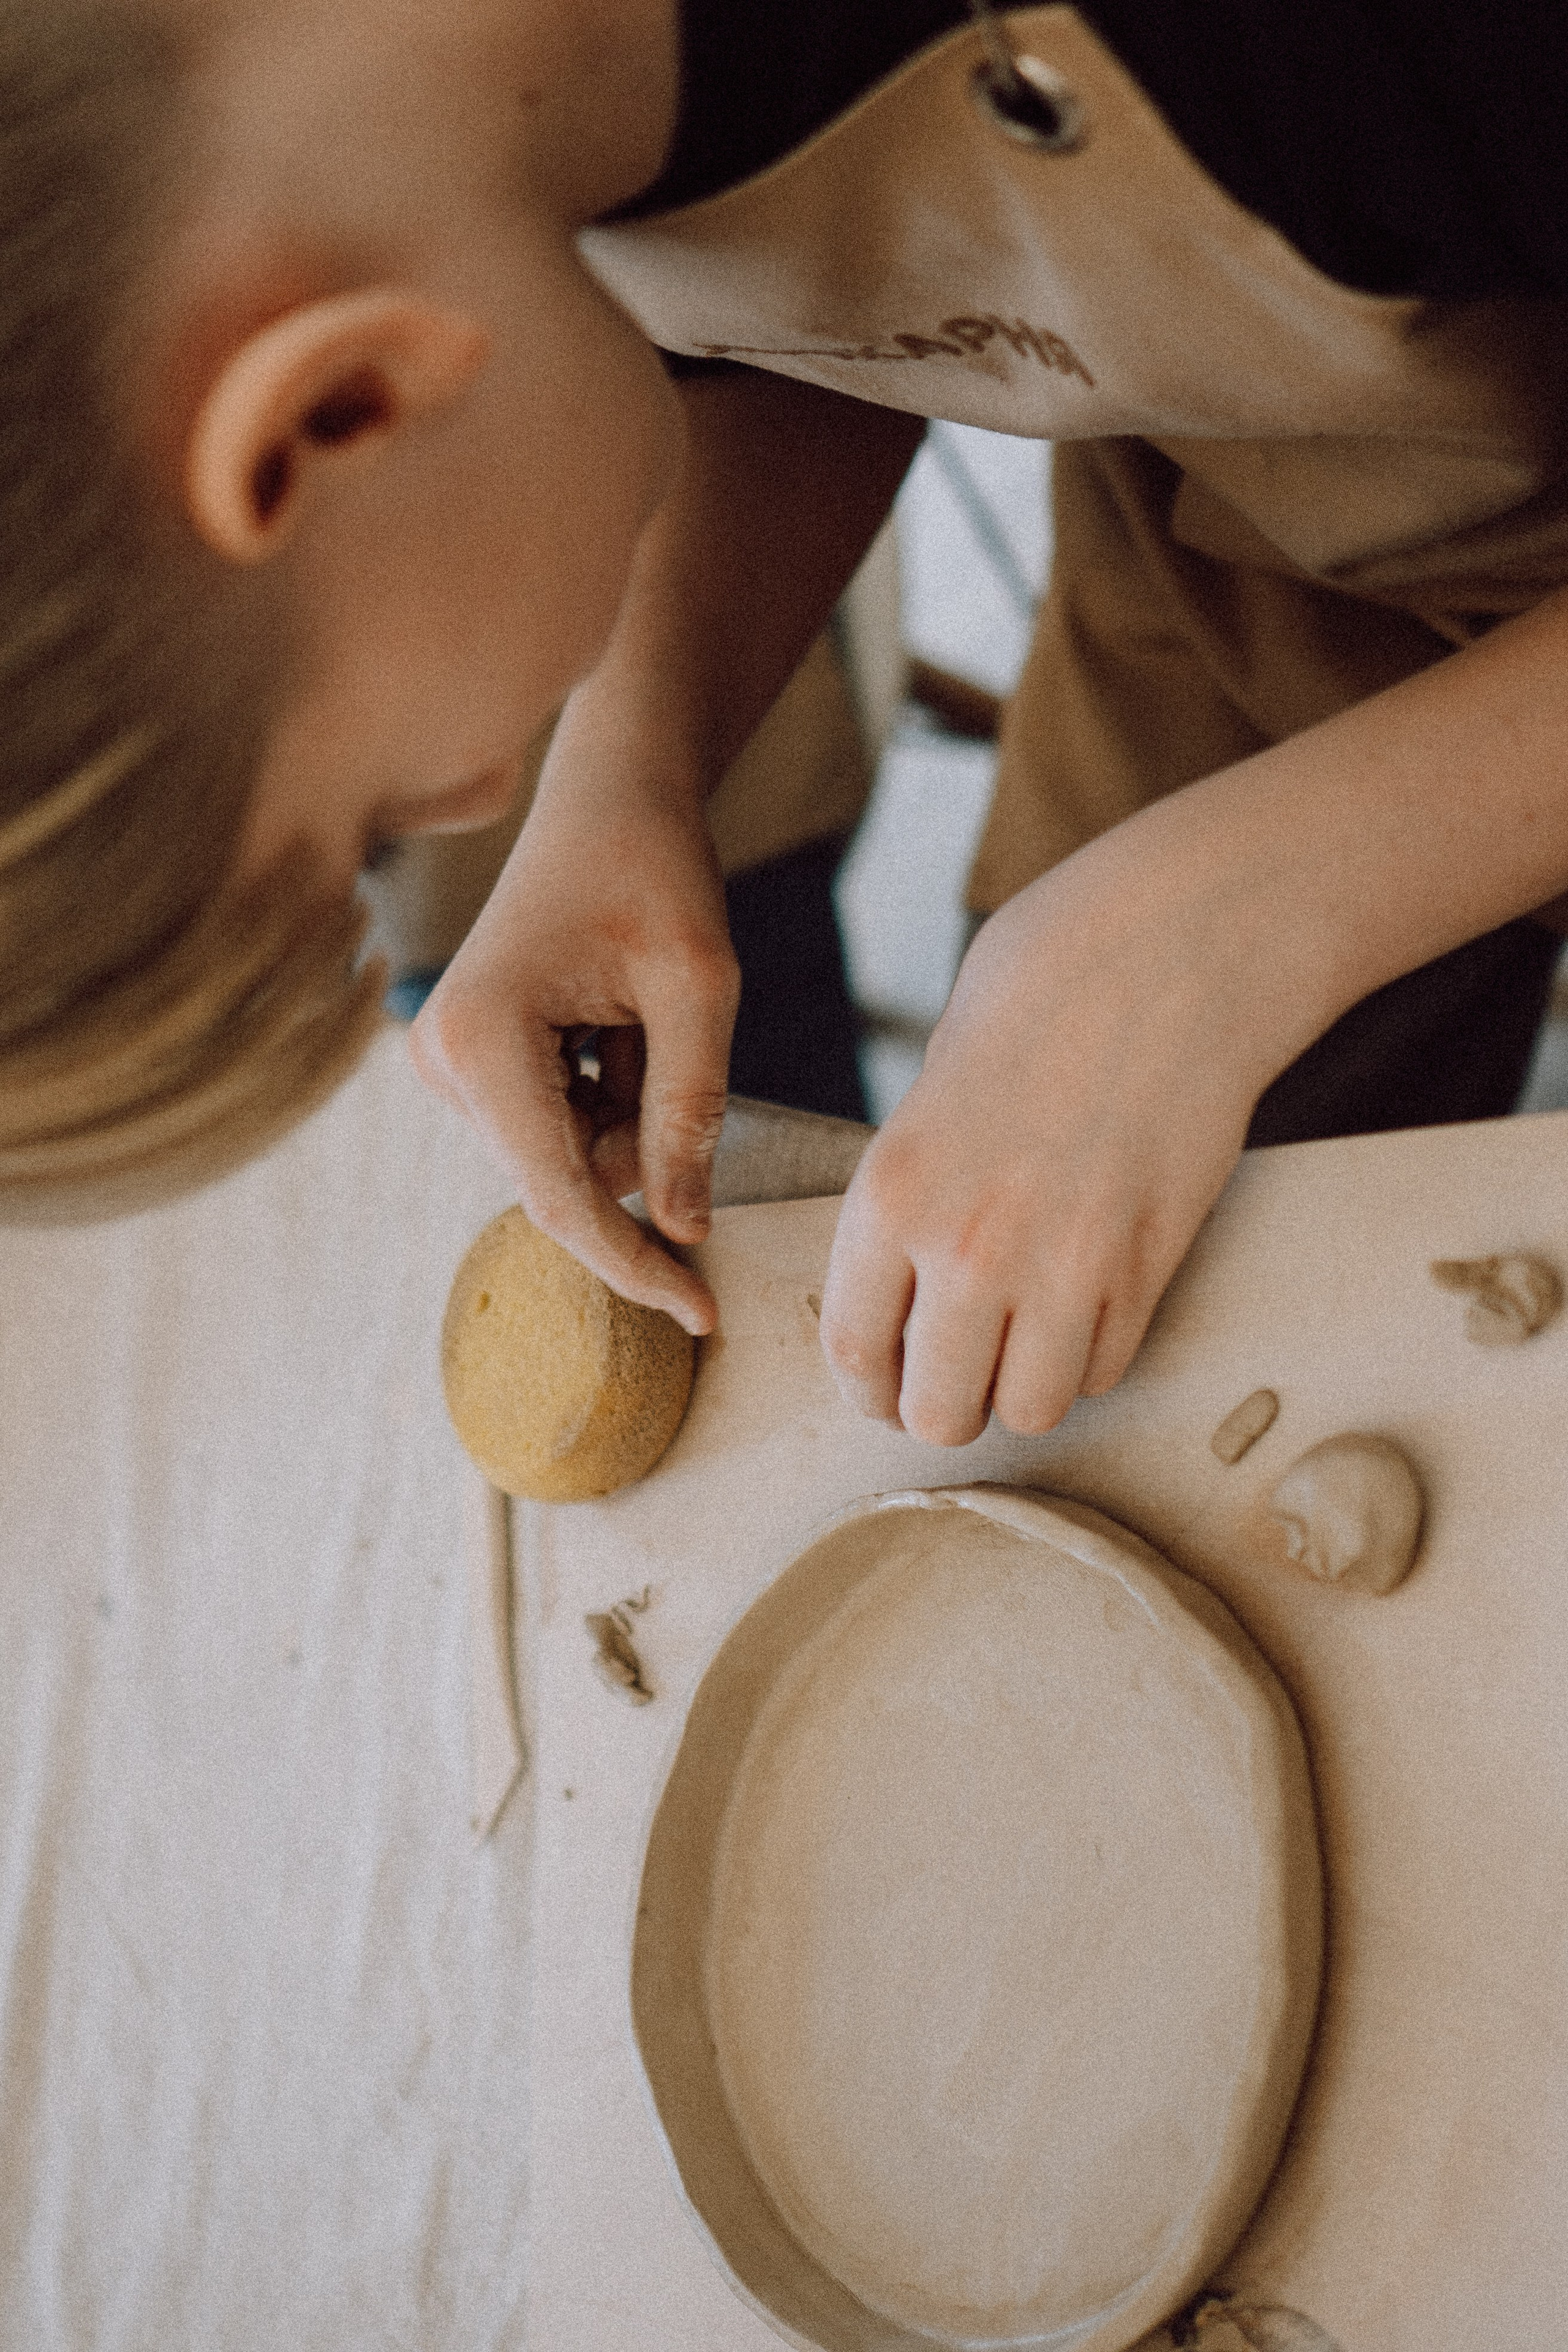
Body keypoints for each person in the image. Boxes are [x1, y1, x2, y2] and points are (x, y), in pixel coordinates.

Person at [4, 1, 1568, 1449]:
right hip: (1252, 508)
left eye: (373, 820)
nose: (482, 794)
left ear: (326, 415)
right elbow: (840, 267)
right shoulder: (437, 91)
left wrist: (1232, 924)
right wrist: (640, 760)